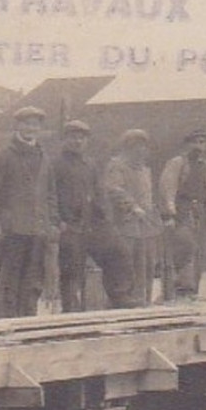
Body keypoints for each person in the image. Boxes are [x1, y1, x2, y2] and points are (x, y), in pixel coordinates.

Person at [0, 105, 56, 318]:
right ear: (17, 126)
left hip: (38, 229)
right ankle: (8, 321)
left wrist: (53, 222)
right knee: (9, 280)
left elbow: (51, 194)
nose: (31, 128)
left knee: (33, 280)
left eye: (35, 124)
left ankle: (28, 321)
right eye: (26, 124)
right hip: (12, 229)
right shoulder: (3, 156)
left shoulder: (44, 158)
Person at [49, 119, 129, 311]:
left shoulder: (90, 164)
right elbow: (48, 195)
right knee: (71, 268)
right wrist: (58, 220)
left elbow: (100, 193)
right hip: (69, 225)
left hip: (92, 224)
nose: (77, 141)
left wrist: (106, 220)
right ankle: (71, 309)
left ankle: (119, 297)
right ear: (64, 139)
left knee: (118, 252)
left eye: (82, 138)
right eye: (73, 137)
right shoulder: (55, 165)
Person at [101, 128, 161, 306]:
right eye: (136, 146)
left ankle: (143, 300)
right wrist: (132, 206)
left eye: (143, 146)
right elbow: (114, 190)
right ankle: (123, 302)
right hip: (125, 223)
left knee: (147, 263)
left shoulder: (145, 170)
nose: (141, 150)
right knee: (126, 263)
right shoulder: (116, 166)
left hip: (145, 224)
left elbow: (148, 195)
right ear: (127, 147)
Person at [158, 127, 206, 299]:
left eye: (202, 142)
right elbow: (167, 187)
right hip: (182, 212)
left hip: (201, 213)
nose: (199, 146)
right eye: (195, 142)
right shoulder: (178, 163)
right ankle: (182, 288)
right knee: (186, 246)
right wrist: (170, 211)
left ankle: (193, 291)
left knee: (200, 251)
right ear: (187, 144)